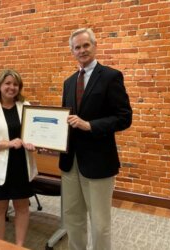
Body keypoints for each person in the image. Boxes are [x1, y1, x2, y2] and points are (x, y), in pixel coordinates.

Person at [59, 28, 132, 250]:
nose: (82, 50)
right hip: (70, 162)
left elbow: (124, 118)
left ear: (95, 45)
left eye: (85, 45)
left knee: (100, 223)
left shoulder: (111, 76)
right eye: (77, 47)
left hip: (99, 162)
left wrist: (90, 125)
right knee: (72, 217)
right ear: (72, 51)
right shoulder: (69, 82)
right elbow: (66, 118)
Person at [0, 69, 38, 246]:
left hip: (21, 165)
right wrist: (8, 143)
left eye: (15, 84)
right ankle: (0, 245)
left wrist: (34, 142)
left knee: (22, 207)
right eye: (8, 83)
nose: (12, 87)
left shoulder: (26, 105)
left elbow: (33, 134)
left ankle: (19, 245)